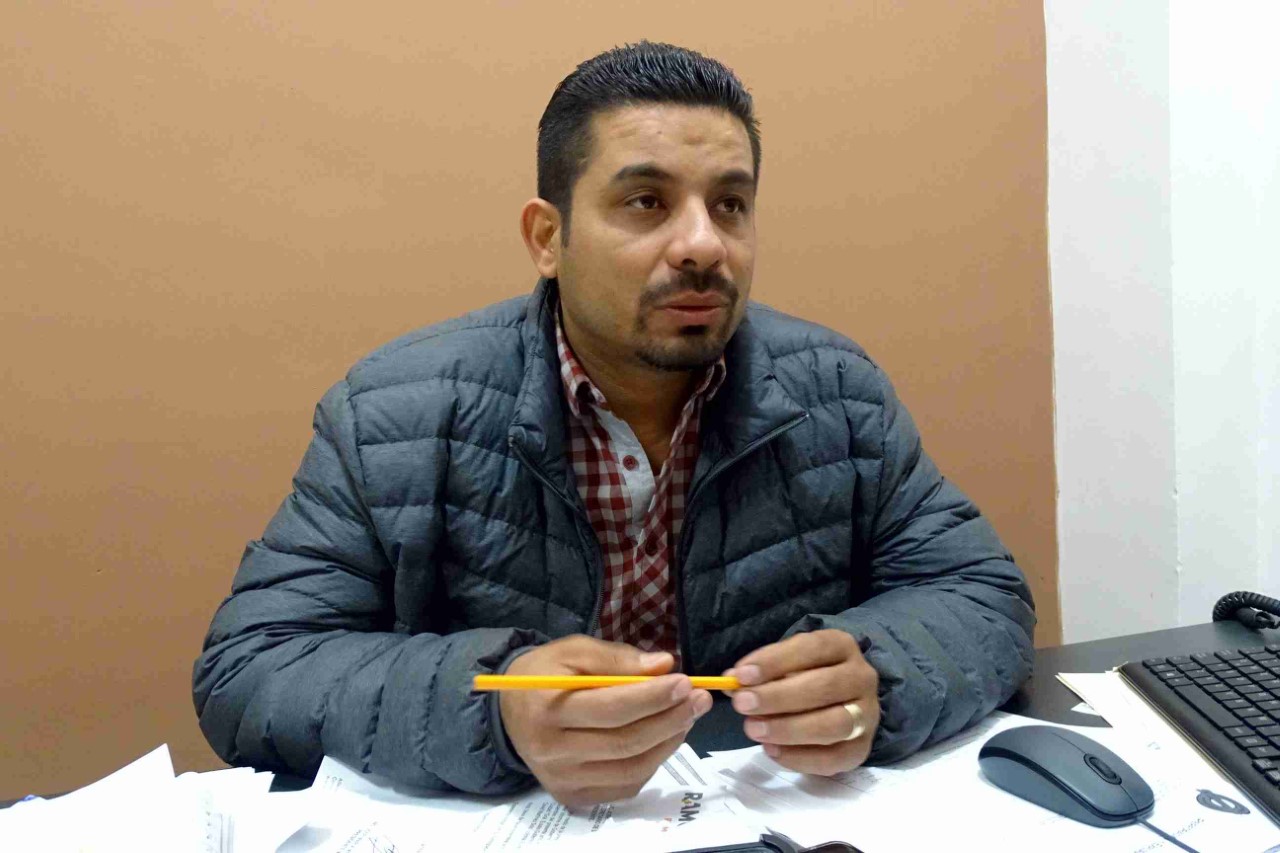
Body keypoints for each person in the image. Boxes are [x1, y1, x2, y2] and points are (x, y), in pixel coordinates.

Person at [193, 41, 1035, 808]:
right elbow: (252, 666)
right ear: (547, 237)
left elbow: (981, 593)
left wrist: (880, 676)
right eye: (646, 202)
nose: (703, 244)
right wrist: (497, 708)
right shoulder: (394, 414)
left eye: (731, 205)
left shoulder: (839, 394)